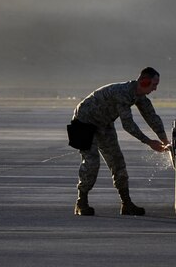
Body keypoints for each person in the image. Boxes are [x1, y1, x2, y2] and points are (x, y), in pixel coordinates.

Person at [71, 67, 170, 216]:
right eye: (154, 85)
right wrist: (149, 142)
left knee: (118, 162)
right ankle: (81, 202)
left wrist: (165, 141)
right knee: (91, 163)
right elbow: (128, 125)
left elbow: (151, 117)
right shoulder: (122, 93)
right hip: (82, 123)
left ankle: (126, 203)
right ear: (144, 81)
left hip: (104, 124)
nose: (155, 89)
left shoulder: (139, 95)